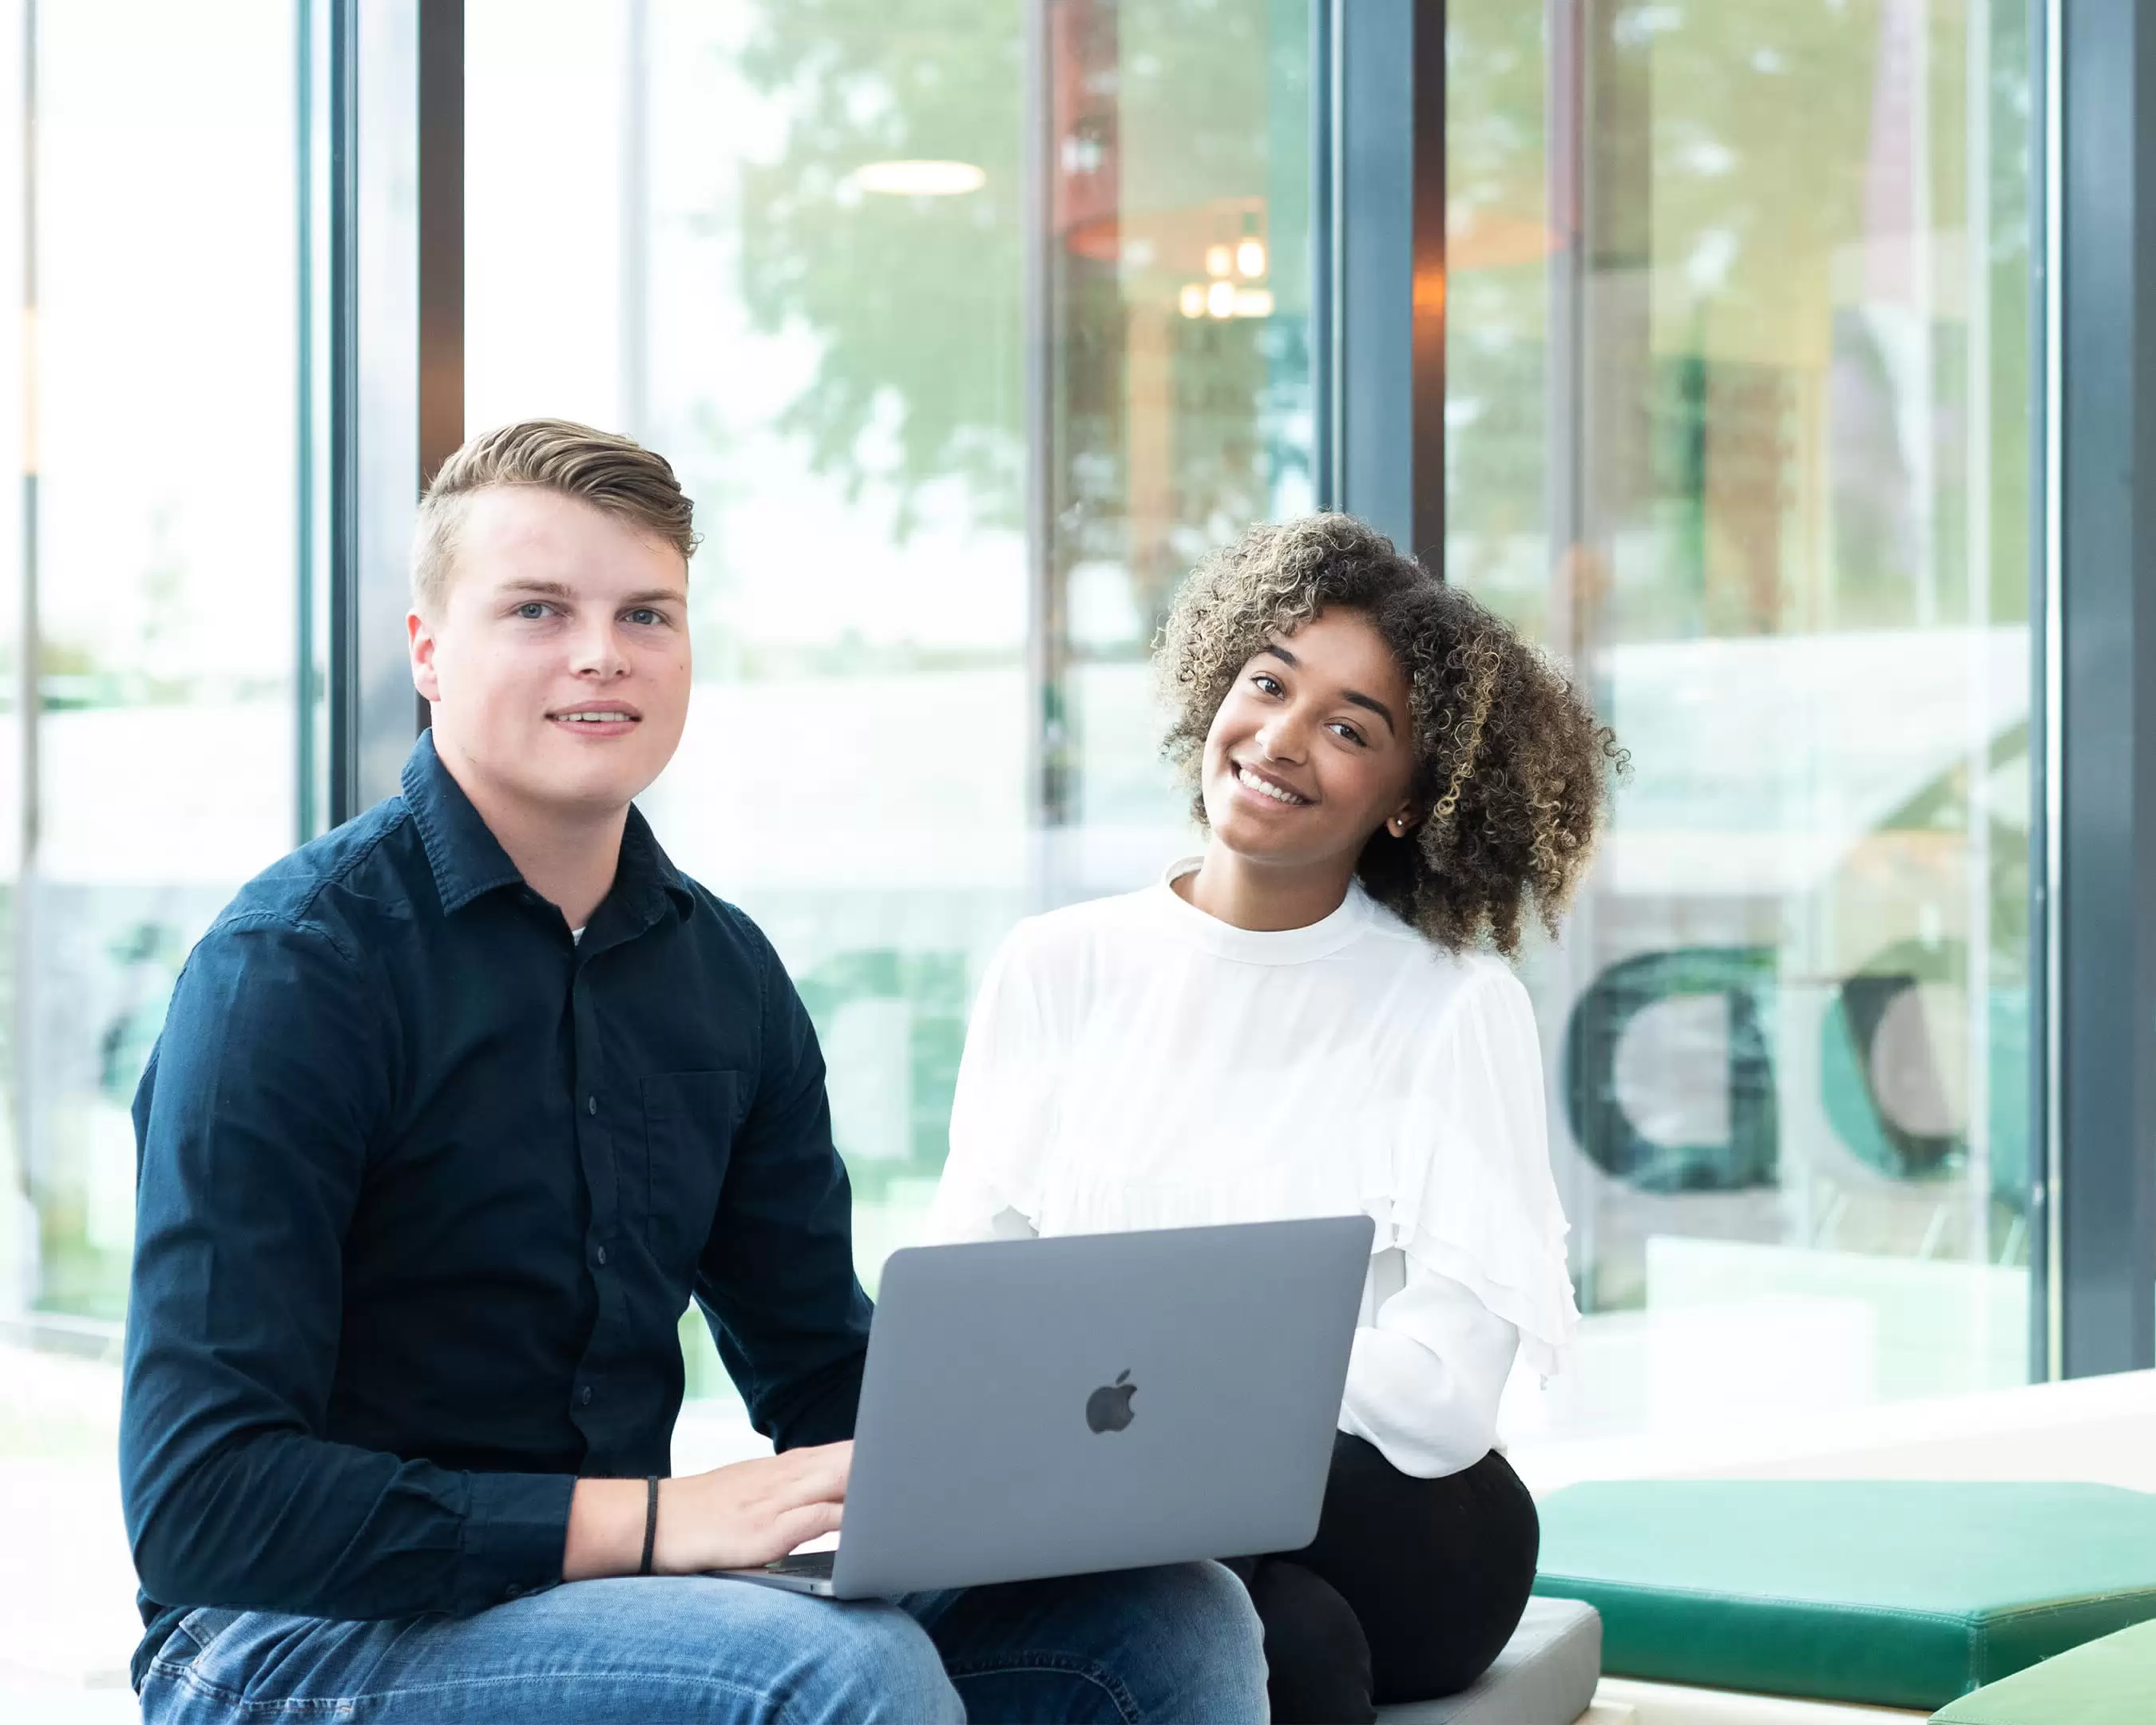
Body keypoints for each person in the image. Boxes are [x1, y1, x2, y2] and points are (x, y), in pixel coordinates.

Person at [120, 418, 1266, 1724]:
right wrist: (658, 1523)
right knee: (836, 1672)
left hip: (600, 1610)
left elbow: (818, 1372)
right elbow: (202, 1504)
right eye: (539, 609)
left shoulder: (721, 976)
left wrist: (1067, 1459)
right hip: (292, 1638)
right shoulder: (293, 971)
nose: (601, 652)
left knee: (1171, 1615)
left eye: (646, 614)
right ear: (429, 653)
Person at [929, 513, 1622, 1723]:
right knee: (1284, 1647)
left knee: (1238, 1607)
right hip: (1120, 1497)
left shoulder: (1454, 1005)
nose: (1281, 740)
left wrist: (1167, 1385)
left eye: (1352, 728)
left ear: (1409, 800)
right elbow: (970, 1290)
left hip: (1400, 1519)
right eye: (1269, 684)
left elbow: (1442, 1396)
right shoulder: (1055, 966)